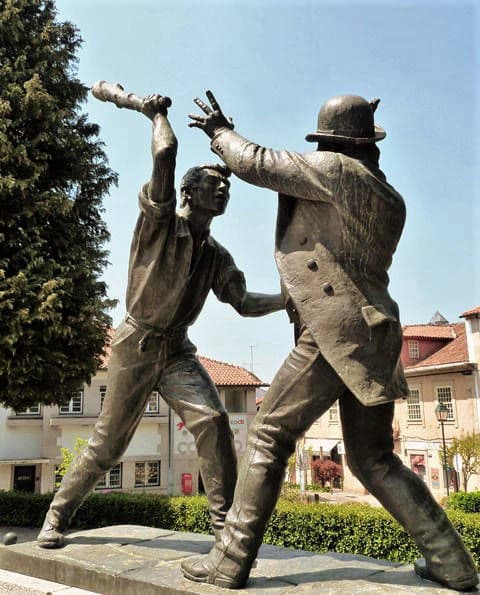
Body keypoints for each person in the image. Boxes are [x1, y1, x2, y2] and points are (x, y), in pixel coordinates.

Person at [180, 92, 479, 591]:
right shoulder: (390, 198)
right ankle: (453, 563)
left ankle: (230, 562)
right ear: (370, 142)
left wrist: (218, 132)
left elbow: (255, 162)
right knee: (374, 458)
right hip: (377, 331)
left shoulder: (337, 173)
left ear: (332, 143)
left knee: (268, 435)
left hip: (332, 331)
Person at [37, 93, 284, 548]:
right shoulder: (160, 226)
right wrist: (156, 115)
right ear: (188, 192)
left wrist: (288, 301)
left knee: (212, 421)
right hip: (135, 345)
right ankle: (56, 516)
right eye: (215, 182)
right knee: (108, 446)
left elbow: (244, 301)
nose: (224, 189)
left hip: (176, 350)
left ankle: (225, 533)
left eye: (228, 185)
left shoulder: (215, 254)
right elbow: (166, 153)